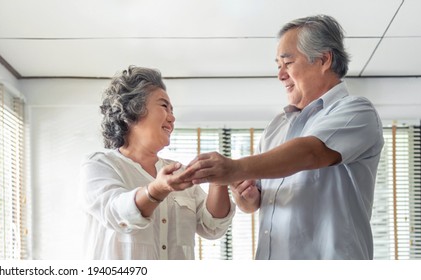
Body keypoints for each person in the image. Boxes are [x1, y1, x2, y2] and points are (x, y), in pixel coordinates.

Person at [185, 15, 384, 259]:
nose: (280, 75)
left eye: (287, 63)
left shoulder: (356, 111)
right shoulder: (276, 126)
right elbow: (253, 203)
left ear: (323, 59)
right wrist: (246, 195)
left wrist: (235, 168)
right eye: (278, 65)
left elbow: (310, 153)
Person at [80, 65, 235, 260]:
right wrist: (156, 190)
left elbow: (213, 227)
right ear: (132, 110)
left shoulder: (180, 173)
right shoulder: (100, 165)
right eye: (164, 106)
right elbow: (116, 213)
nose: (172, 117)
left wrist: (219, 180)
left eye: (172, 110)